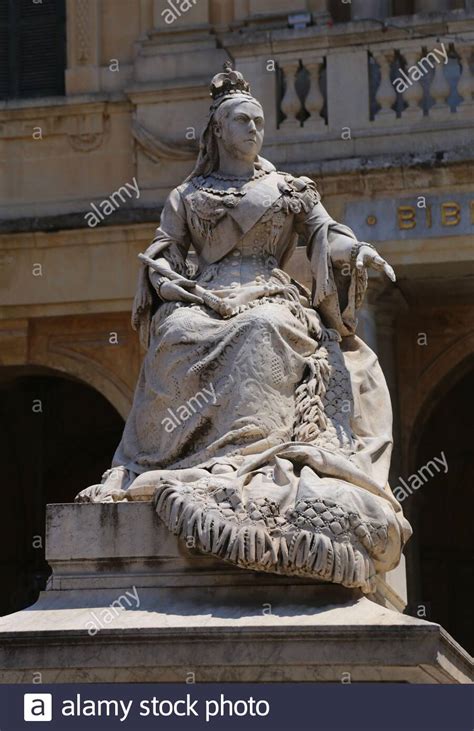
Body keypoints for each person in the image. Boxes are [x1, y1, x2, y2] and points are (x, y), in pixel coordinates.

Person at [76, 63, 411, 593]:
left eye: (258, 121)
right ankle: (167, 460)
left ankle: (252, 455)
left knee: (262, 329)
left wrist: (359, 252)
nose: (254, 129)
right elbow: (166, 252)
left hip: (270, 293)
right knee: (176, 334)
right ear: (219, 132)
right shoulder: (187, 196)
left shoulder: (288, 189)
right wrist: (166, 279)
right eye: (242, 122)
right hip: (206, 294)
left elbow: (327, 234)